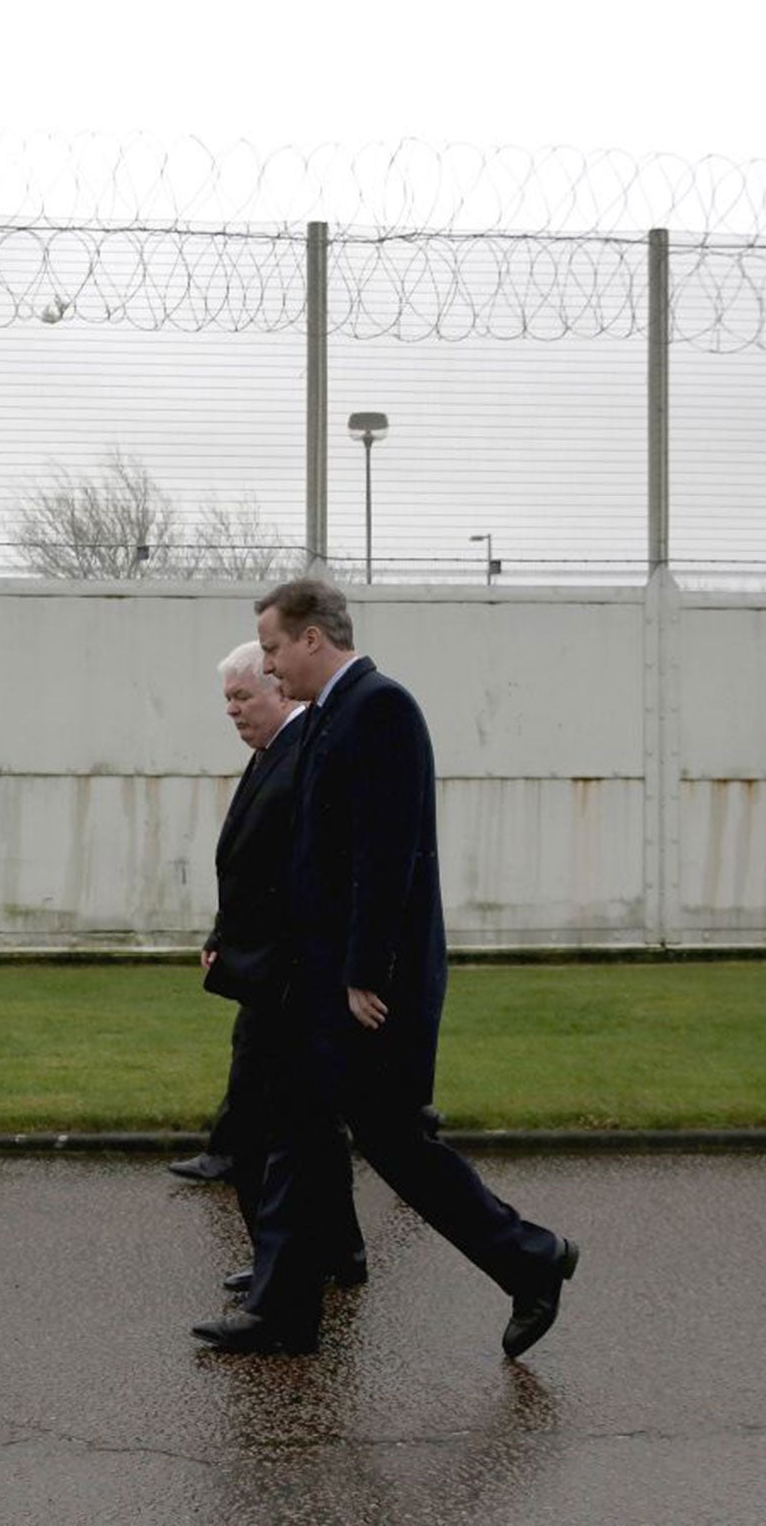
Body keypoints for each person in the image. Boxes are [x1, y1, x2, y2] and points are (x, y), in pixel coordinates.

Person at [192, 578, 578, 1359]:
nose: (268, 669)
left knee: (396, 1145)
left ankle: (532, 1258)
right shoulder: (335, 716)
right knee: (301, 1135)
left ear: (311, 638)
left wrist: (366, 973)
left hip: (366, 988)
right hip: (324, 978)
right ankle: (285, 1313)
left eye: (271, 649)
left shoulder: (381, 708)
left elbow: (387, 853)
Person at [177, 642, 366, 1293]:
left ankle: (281, 1265)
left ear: (277, 690)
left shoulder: (302, 757)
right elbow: (251, 875)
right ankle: (336, 1251)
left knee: (264, 1133)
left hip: (287, 978)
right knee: (305, 1126)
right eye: (227, 700)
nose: (231, 711)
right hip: (267, 969)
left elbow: (306, 879)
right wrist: (222, 934)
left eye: (241, 697)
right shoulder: (269, 757)